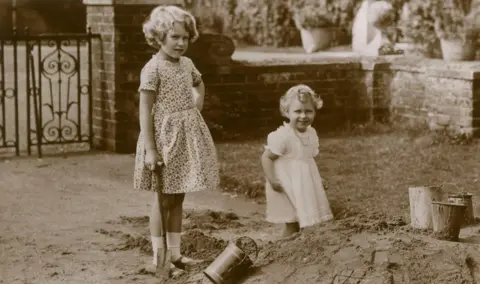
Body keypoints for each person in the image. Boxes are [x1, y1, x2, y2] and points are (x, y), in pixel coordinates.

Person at [133, 5, 220, 277]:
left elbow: (198, 83)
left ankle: (176, 253)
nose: (181, 43)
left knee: (178, 197)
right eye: (175, 37)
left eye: (185, 37)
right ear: (159, 37)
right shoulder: (153, 69)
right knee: (163, 199)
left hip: (184, 139)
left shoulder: (187, 64)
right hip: (163, 140)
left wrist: (197, 105)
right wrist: (150, 149)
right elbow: (145, 109)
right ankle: (160, 260)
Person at [260, 84, 334, 238]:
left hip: (304, 184)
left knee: (308, 217)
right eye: (297, 111)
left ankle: (303, 246)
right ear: (286, 112)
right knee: (292, 220)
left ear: (315, 112)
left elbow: (307, 161)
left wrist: (318, 179)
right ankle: (285, 248)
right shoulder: (283, 136)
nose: (303, 116)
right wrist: (272, 180)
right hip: (287, 184)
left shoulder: (311, 133)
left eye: (308, 111)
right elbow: (266, 157)